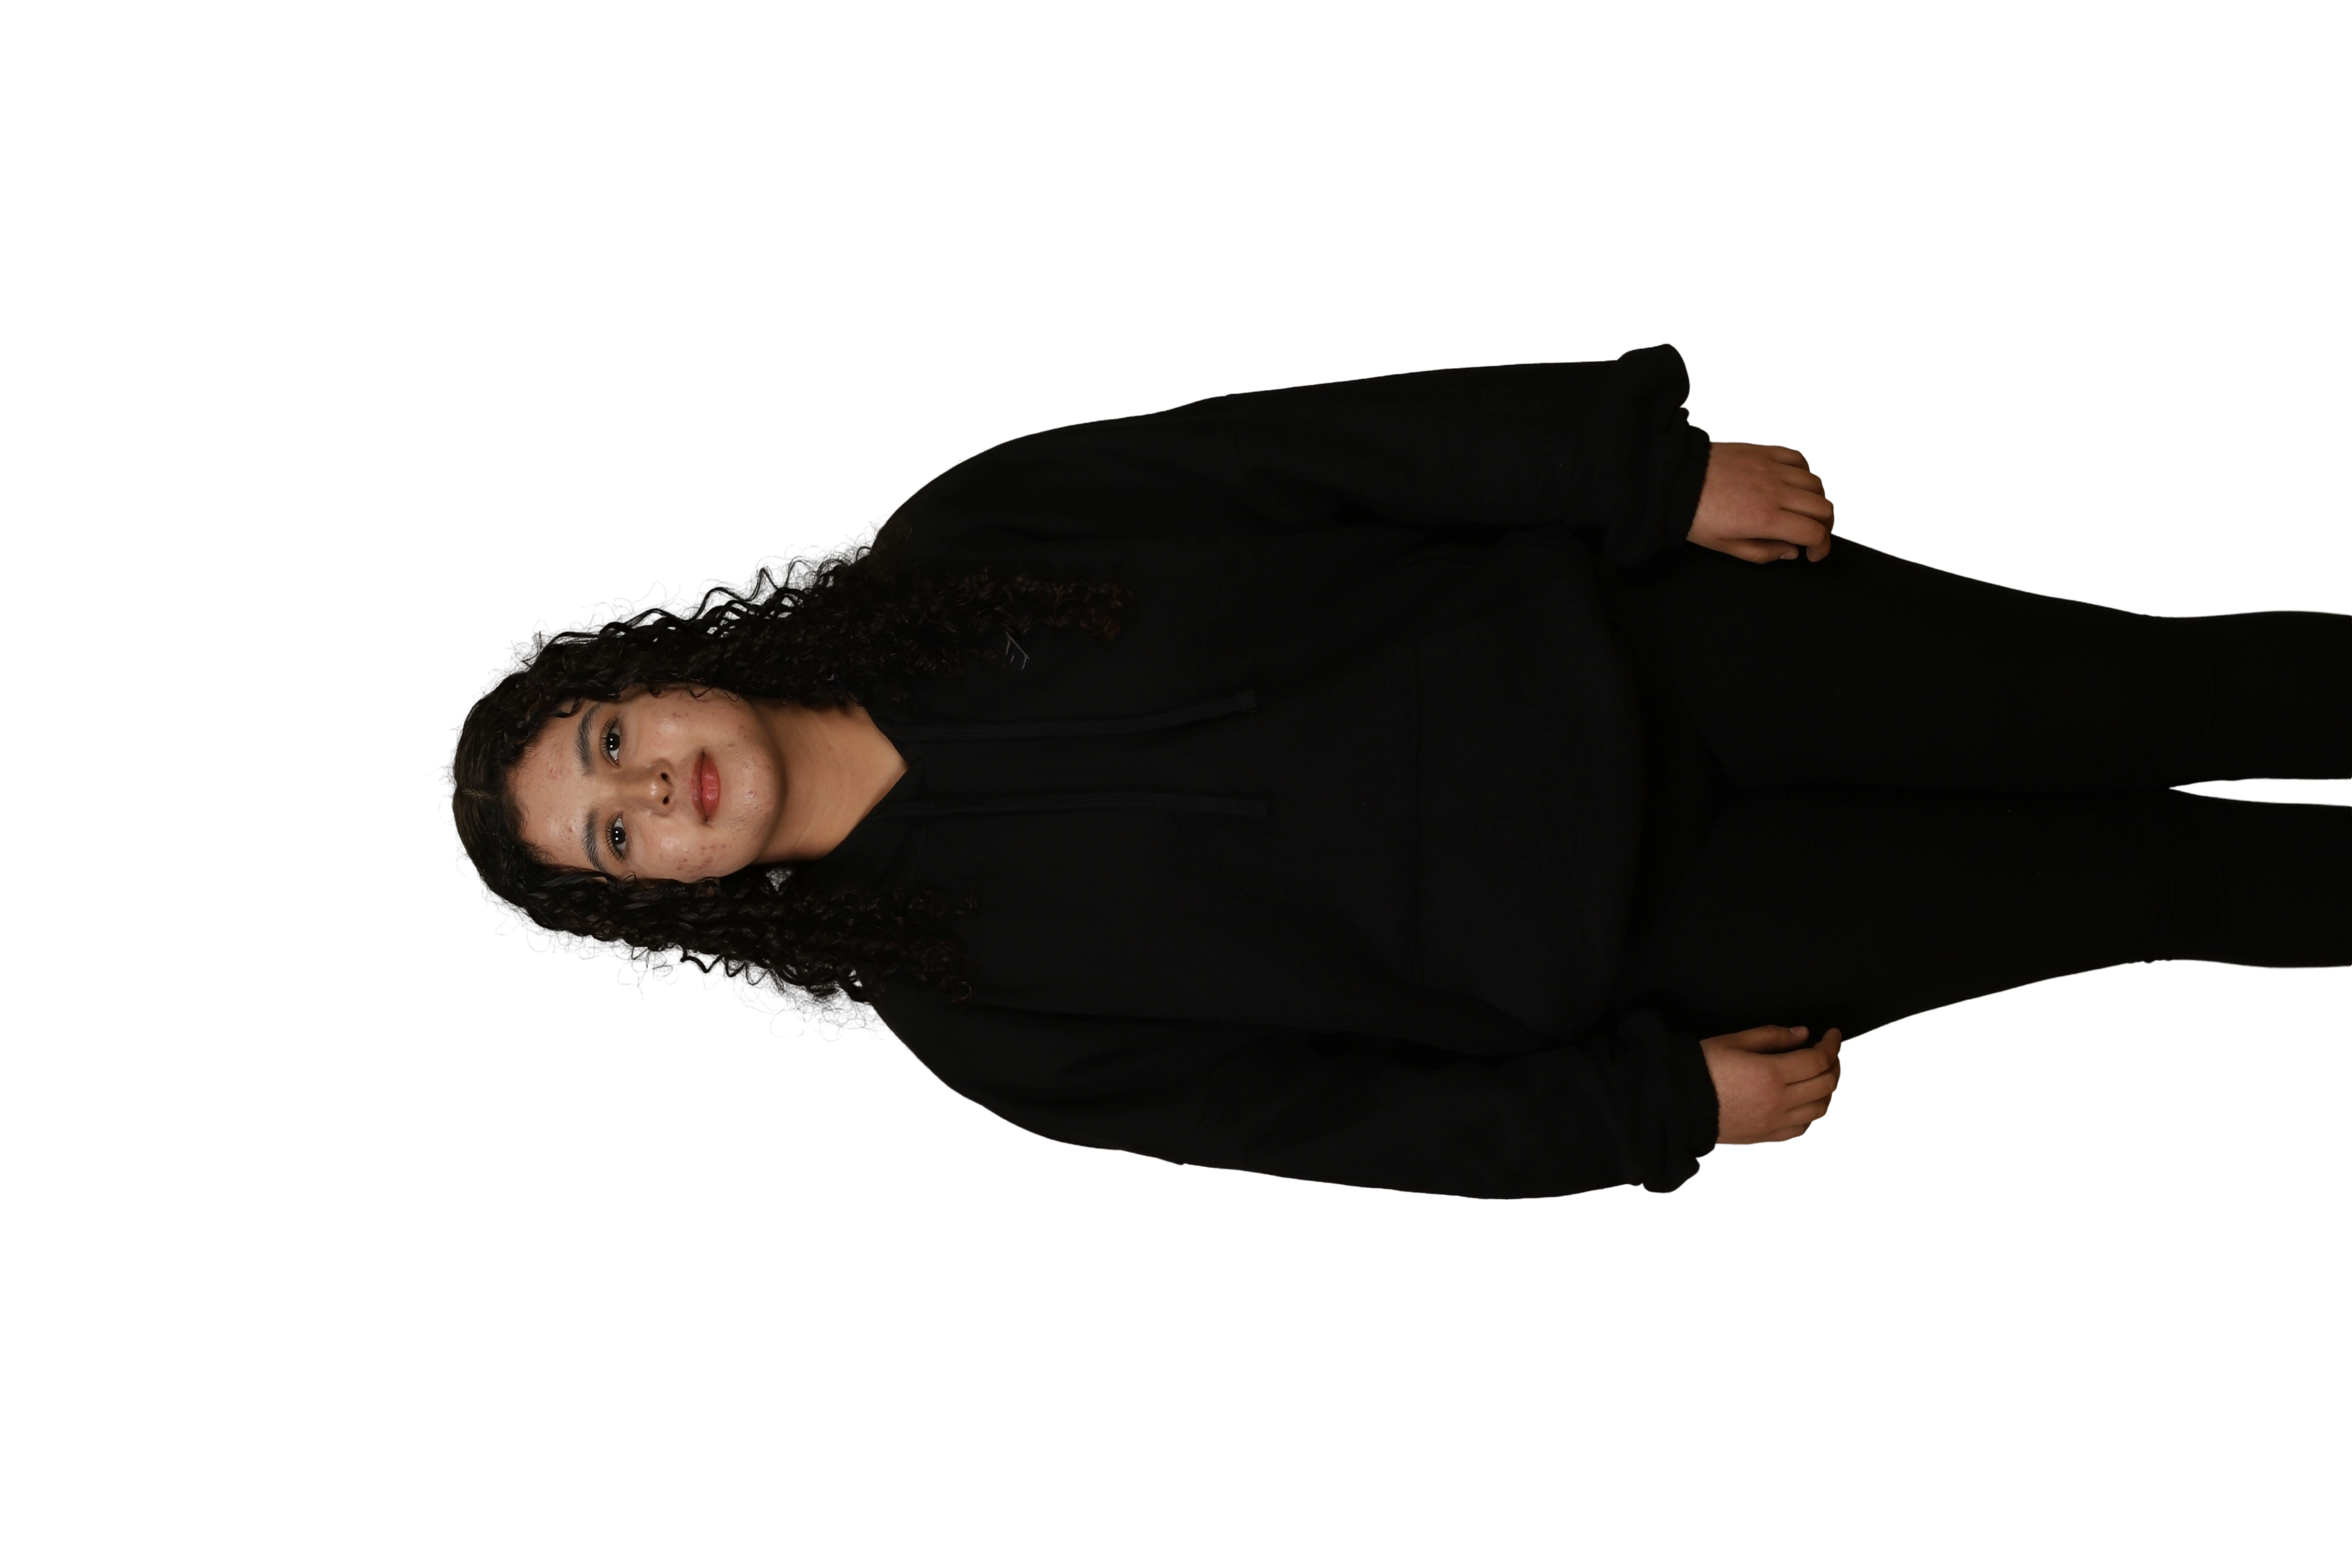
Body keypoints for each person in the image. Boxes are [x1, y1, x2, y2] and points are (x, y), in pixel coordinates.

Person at [429, 340, 2352, 1201]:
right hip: (1670, 942)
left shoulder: (973, 538)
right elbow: (1336, 1122)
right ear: (660, 906)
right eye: (611, 841)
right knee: (2153, 886)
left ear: (655, 676)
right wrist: (1641, 1113)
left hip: (1677, 649)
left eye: (612, 743)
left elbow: (1319, 455)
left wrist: (1640, 478)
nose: (651, 793)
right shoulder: (982, 1023)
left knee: (2162, 694)